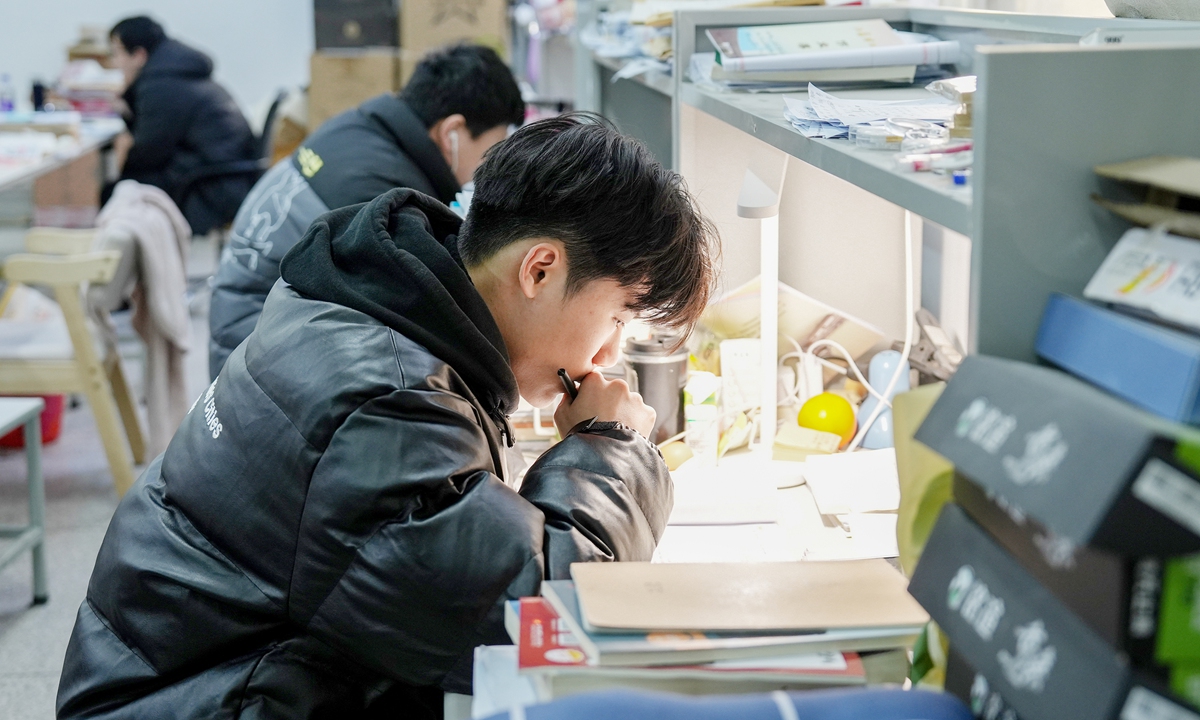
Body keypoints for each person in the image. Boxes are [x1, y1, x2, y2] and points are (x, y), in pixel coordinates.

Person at [56, 114, 718, 719]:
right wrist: (613, 445)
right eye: (618, 318)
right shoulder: (383, 400)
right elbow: (542, 618)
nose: (610, 354)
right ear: (539, 269)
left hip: (208, 679)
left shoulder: (375, 304)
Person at [207, 43, 524, 380]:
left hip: (242, 322)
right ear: (452, 133)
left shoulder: (360, 128)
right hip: (258, 358)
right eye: (490, 150)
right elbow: (426, 319)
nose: (485, 166)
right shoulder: (384, 195)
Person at [106, 16, 257, 236]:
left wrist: (122, 168)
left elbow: (147, 152)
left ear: (138, 55)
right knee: (125, 183)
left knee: (117, 189)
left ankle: (122, 266)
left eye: (116, 53)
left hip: (211, 186)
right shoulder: (175, 73)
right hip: (227, 176)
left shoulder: (161, 85)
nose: (115, 63)